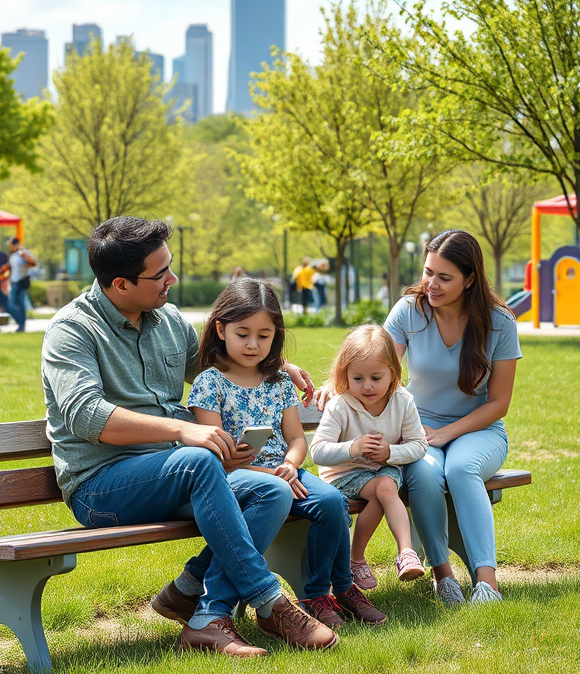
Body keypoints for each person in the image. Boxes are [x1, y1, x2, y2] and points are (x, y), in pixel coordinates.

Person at [42, 216, 336, 657]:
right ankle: (269, 601)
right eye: (160, 274)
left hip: (174, 472)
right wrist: (182, 429)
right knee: (198, 460)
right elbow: (87, 416)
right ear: (120, 284)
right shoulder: (73, 331)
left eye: (170, 267)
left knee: (272, 491)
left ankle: (199, 607)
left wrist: (273, 367)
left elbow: (221, 368)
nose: (172, 280)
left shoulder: (167, 320)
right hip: (101, 486)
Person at [188, 278, 387, 629]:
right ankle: (313, 595)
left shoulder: (277, 383)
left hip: (285, 474)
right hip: (236, 477)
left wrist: (291, 465)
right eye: (243, 334)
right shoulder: (210, 382)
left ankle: (328, 591)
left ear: (275, 335)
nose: (253, 344)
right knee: (311, 497)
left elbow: (296, 439)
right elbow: (214, 456)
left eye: (264, 336)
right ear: (220, 329)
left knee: (332, 502)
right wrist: (274, 475)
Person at [383, 230, 521, 606]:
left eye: (445, 277)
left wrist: (445, 434)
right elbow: (377, 366)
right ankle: (443, 576)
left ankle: (487, 583)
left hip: (481, 429)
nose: (431, 284)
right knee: (425, 473)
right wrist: (336, 385)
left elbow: (499, 403)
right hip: (419, 428)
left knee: (461, 469)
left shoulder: (500, 323)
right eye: (428, 272)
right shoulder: (409, 311)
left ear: (470, 279)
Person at [310, 325, 428, 590]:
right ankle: (361, 557)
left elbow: (419, 444)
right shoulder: (340, 405)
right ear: (345, 374)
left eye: (376, 377)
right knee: (383, 489)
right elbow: (317, 451)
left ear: (393, 374)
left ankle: (402, 554)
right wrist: (353, 447)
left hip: (383, 469)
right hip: (344, 474)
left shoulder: (402, 401)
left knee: (384, 487)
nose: (367, 386)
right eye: (358, 378)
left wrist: (390, 452)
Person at [7, 237, 36, 332]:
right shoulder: (13, 255)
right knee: (11, 304)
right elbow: (11, 268)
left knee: (21, 302)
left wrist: (24, 256)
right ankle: (20, 321)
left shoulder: (24, 253)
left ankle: (22, 325)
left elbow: (33, 263)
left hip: (23, 281)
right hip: (14, 281)